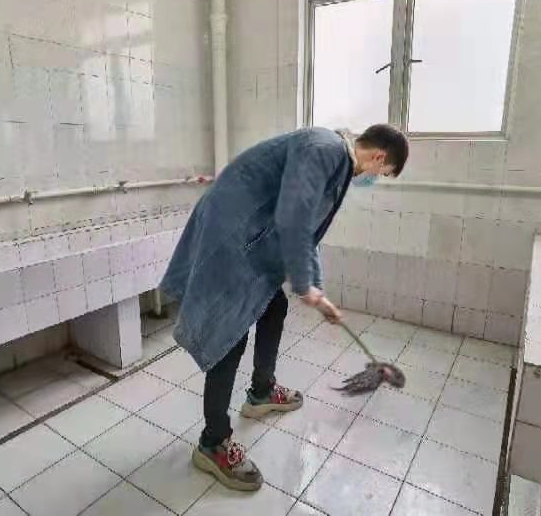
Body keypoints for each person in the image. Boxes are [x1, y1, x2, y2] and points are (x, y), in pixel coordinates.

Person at [160, 124, 409, 491]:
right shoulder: (325, 149)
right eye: (383, 174)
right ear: (379, 157)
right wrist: (306, 286)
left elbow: (309, 233)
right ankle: (213, 443)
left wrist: (317, 289)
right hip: (232, 235)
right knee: (231, 334)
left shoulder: (338, 165)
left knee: (273, 306)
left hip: (250, 239)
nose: (375, 178)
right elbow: (293, 220)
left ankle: (261, 392)